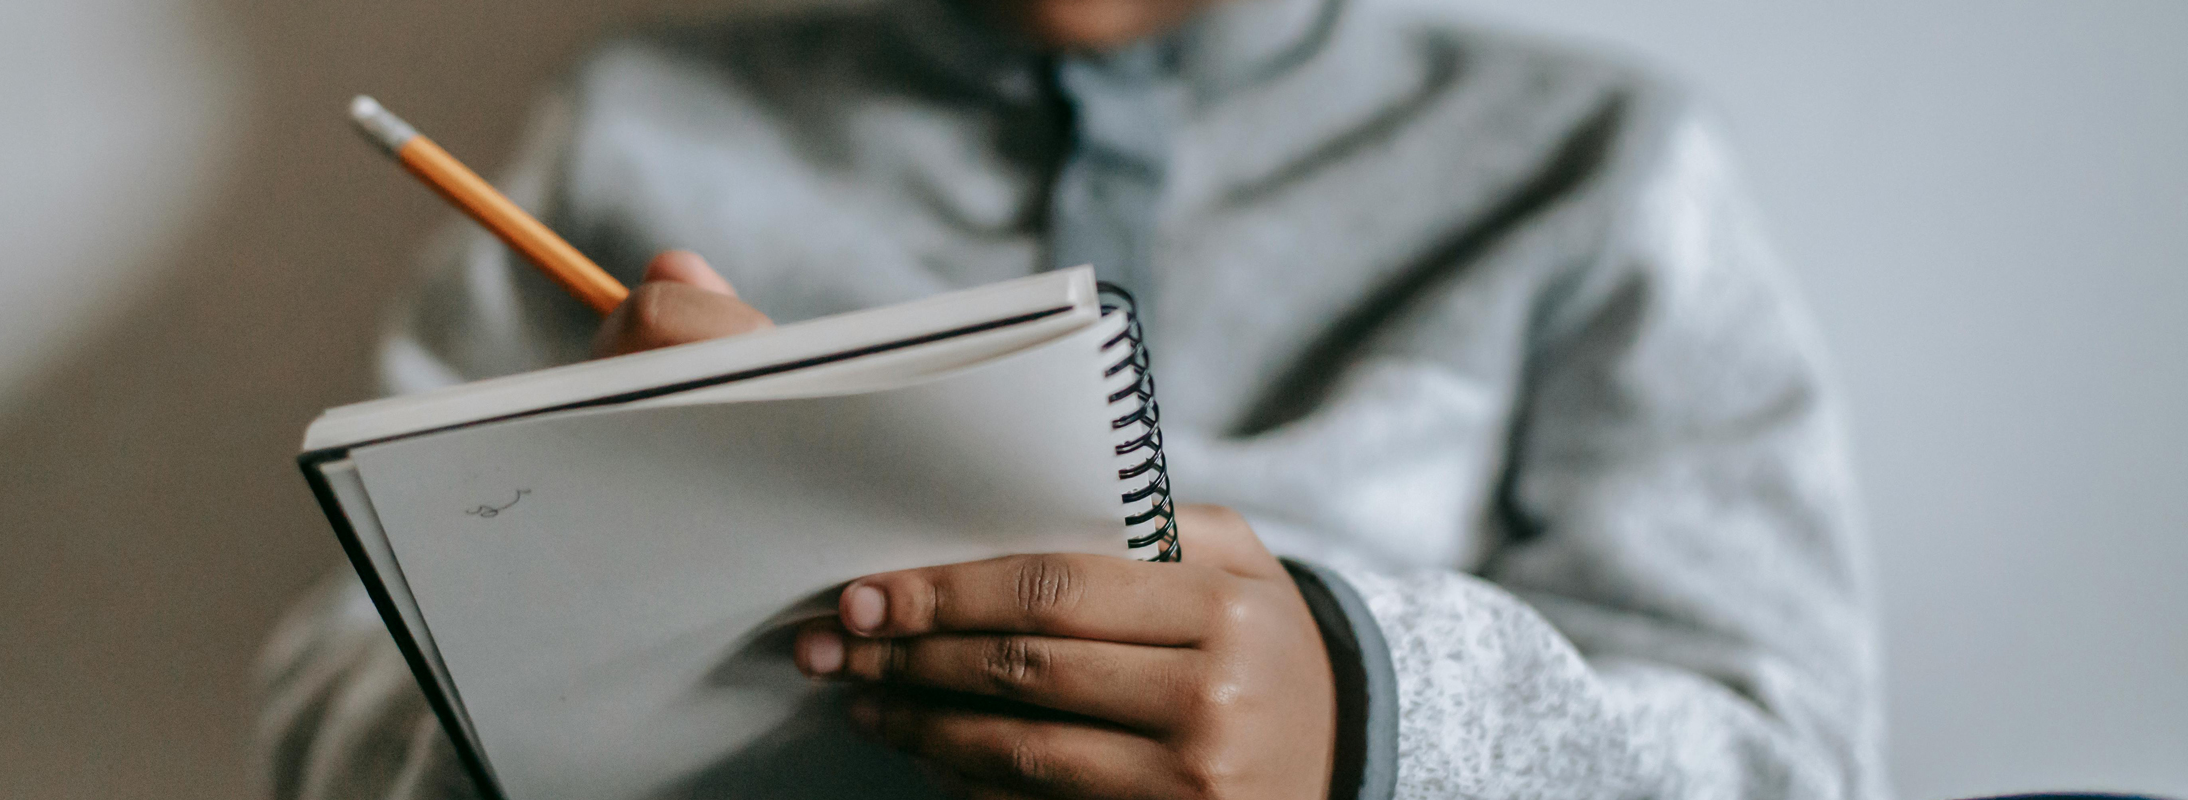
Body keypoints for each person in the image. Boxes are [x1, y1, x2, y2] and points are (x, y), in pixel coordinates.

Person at [257, 0, 1885, 797]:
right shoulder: (635, 135)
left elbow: (1792, 757)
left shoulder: (1596, 166)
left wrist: (1382, 722)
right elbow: (330, 705)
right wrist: (575, 583)